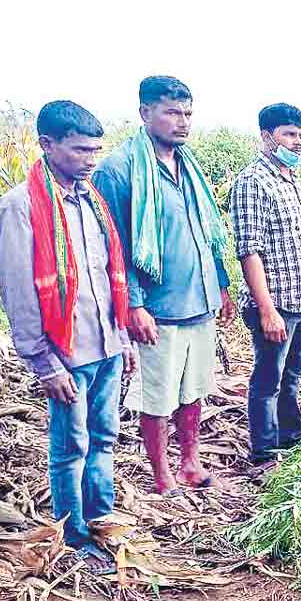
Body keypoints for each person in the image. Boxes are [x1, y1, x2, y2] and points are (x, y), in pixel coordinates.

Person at [0, 101, 136, 574]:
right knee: (70, 446)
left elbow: (108, 273)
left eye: (96, 149)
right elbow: (18, 293)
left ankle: (101, 520)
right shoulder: (19, 207)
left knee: (105, 438)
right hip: (67, 353)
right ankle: (72, 538)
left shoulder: (91, 200)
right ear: (47, 145)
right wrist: (44, 362)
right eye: (79, 149)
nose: (91, 158)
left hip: (107, 343)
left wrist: (124, 337)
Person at [94, 76, 235, 494]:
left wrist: (222, 285)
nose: (183, 122)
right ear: (145, 113)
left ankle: (190, 463)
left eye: (188, 113)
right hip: (158, 308)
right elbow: (114, 246)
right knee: (157, 396)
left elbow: (206, 236)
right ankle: (162, 475)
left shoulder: (188, 167)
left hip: (199, 301)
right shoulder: (120, 171)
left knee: (194, 389)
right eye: (172, 112)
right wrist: (134, 304)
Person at [230, 104, 301, 464]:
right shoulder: (253, 182)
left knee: (293, 375)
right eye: (289, 135)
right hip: (277, 304)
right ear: (267, 137)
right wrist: (267, 311)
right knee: (268, 380)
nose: (298, 143)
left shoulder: (291, 180)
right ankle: (265, 452)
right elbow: (249, 252)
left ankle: (292, 441)